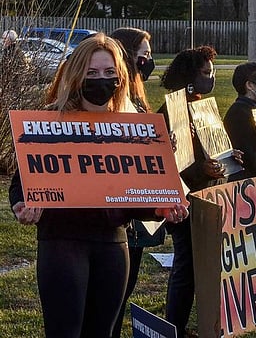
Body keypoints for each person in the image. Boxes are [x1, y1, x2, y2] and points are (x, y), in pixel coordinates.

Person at [9, 33, 189, 338]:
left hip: (113, 244)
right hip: (62, 241)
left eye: (109, 73)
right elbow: (22, 184)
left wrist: (160, 208)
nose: (100, 80)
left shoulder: (136, 126)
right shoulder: (49, 121)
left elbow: (137, 195)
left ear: (120, 77)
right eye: (92, 73)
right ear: (77, 74)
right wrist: (22, 204)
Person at [158, 45, 226, 337]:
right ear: (189, 75)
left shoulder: (201, 106)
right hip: (183, 199)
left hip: (204, 195)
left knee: (196, 264)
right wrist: (203, 171)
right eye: (205, 72)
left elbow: (210, 149)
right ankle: (176, 324)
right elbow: (175, 164)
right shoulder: (171, 112)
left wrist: (226, 158)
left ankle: (184, 323)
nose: (210, 78)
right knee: (186, 264)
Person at [109, 27, 163, 338]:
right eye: (143, 55)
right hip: (121, 205)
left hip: (138, 208)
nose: (148, 61)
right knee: (111, 296)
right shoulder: (116, 99)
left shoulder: (137, 94)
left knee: (123, 289)